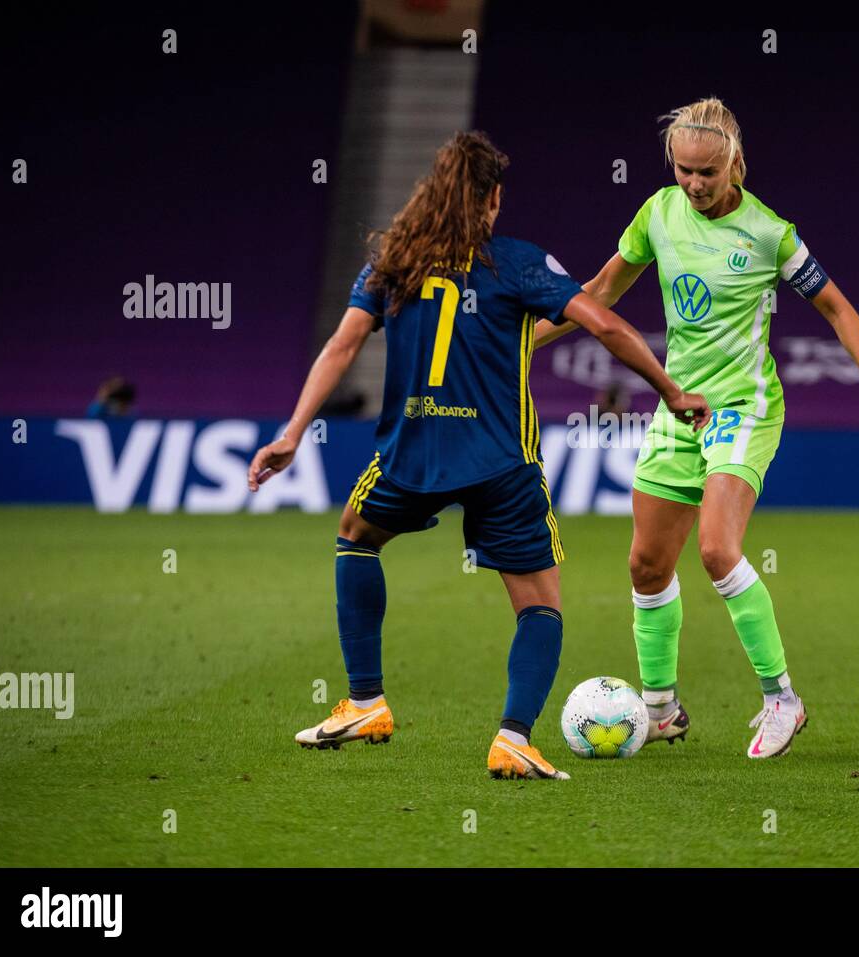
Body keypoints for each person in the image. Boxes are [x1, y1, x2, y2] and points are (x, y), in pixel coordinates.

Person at [247, 132, 708, 780]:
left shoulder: (391, 262)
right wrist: (671, 390)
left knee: (355, 536)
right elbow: (602, 322)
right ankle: (513, 737)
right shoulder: (515, 263)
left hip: (412, 452)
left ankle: (365, 699)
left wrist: (293, 432)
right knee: (540, 604)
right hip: (501, 460)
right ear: (493, 199)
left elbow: (342, 346)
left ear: (434, 192)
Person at [535, 98, 859, 758]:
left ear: (735, 162)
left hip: (744, 405)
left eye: (706, 172)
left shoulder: (770, 233)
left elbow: (838, 307)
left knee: (715, 548)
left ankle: (782, 699)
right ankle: (661, 709)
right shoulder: (657, 213)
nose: (693, 183)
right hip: (679, 406)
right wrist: (523, 343)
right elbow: (598, 291)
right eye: (683, 169)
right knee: (646, 564)